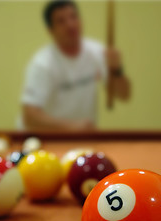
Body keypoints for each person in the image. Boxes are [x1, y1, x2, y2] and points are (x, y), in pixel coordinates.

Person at [21, 0, 129, 131]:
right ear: (50, 30)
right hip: (46, 139)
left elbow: (124, 94)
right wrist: (73, 127)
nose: (70, 24)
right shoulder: (42, 64)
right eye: (61, 21)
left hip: (82, 138)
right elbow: (30, 117)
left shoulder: (96, 52)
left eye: (73, 17)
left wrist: (117, 70)